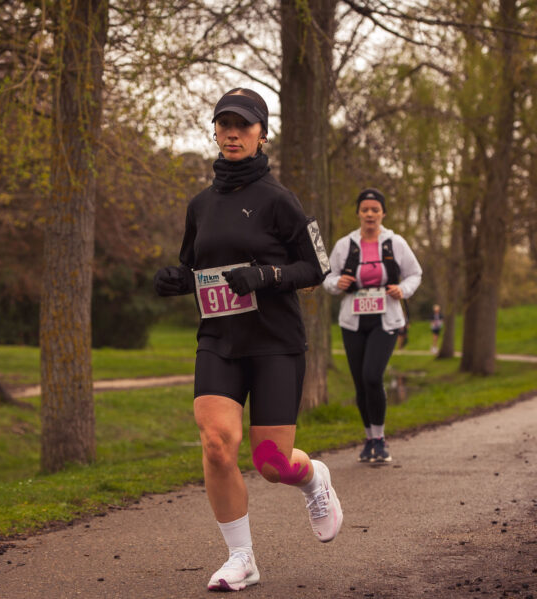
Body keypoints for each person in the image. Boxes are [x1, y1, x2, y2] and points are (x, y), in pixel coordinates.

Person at [153, 88, 341, 592]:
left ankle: (313, 478)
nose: (233, 133)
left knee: (272, 465)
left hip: (275, 341)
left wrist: (268, 275)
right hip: (219, 338)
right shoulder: (200, 206)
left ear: (262, 134)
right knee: (217, 444)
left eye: (244, 125)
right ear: (215, 131)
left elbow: (317, 267)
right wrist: (177, 280)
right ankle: (242, 558)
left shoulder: (281, 201)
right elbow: (197, 268)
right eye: (225, 124)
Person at [323, 188, 422, 464]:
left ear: (383, 214)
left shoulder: (395, 243)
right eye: (365, 209)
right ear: (358, 213)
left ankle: (380, 438)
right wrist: (337, 283)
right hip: (352, 321)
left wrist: (403, 290)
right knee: (359, 383)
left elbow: (415, 273)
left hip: (386, 319)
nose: (369, 214)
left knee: (371, 376)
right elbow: (328, 277)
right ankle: (369, 439)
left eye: (375, 209)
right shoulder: (345, 245)